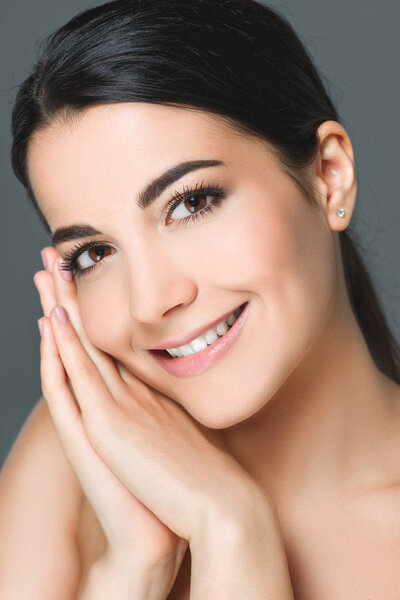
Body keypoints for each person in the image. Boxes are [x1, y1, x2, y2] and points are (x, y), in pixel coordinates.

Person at [1, 0, 400, 597]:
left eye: (190, 203)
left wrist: (234, 536)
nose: (150, 302)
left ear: (328, 173)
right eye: (94, 254)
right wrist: (134, 568)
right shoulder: (71, 462)